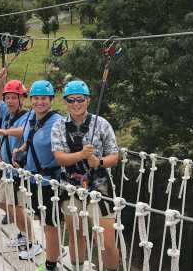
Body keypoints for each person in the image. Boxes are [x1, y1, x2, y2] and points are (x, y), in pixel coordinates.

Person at [51, 80, 120, 270]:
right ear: (65, 102)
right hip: (71, 185)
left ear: (88, 100)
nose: (75, 104)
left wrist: (99, 162)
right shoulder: (59, 126)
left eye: (79, 99)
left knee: (107, 241)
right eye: (70, 100)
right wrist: (81, 155)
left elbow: (114, 155)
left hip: (99, 184)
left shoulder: (102, 124)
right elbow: (59, 158)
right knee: (76, 235)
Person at [0, 68, 42, 259]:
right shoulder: (5, 112)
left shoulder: (30, 117)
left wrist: (6, 133)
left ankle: (33, 241)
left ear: (22, 99)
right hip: (5, 168)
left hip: (19, 170)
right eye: (8, 97)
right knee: (3, 203)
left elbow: (23, 131)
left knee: (15, 206)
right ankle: (23, 235)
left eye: (14, 97)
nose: (9, 101)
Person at [14, 80, 63, 270]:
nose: (39, 102)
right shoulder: (32, 118)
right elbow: (31, 138)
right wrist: (22, 149)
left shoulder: (57, 122)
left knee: (51, 224)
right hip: (34, 179)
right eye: (35, 98)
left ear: (50, 100)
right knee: (44, 222)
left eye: (43, 98)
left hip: (50, 181)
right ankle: (52, 255)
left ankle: (51, 264)